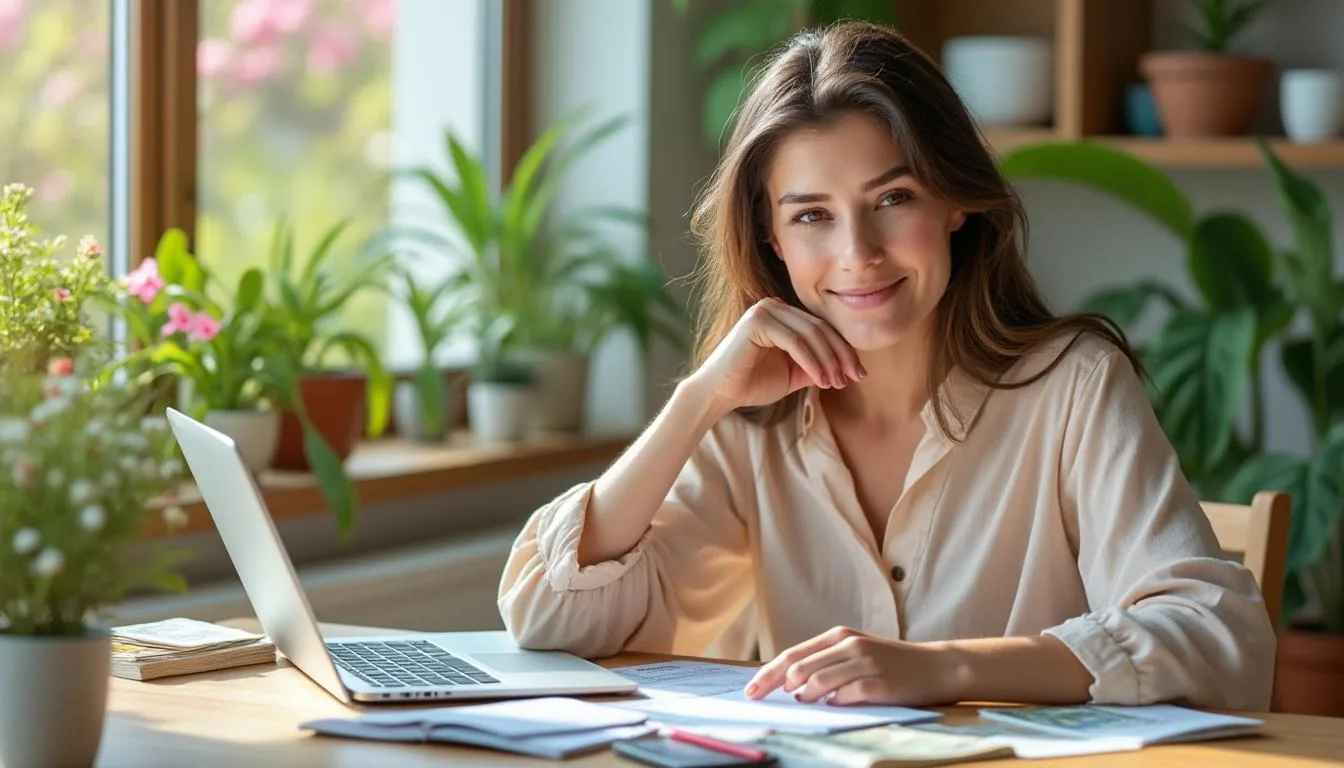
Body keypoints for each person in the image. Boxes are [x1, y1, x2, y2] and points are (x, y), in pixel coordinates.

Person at [496, 21, 1275, 711]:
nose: (858, 255)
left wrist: (945, 669)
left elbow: (1217, 638)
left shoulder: (1072, 384)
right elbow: (549, 616)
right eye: (811, 216)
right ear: (769, 237)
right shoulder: (749, 422)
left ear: (955, 201)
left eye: (893, 198)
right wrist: (699, 400)